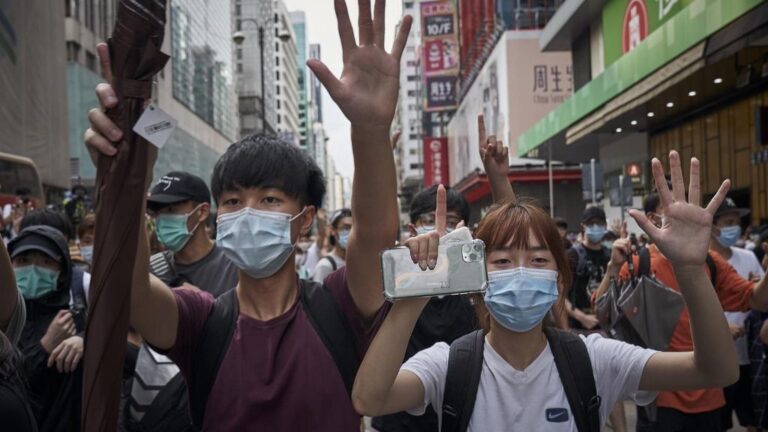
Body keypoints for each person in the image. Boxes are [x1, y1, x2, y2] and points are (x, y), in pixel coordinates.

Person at [83, 0, 410, 429]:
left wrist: (369, 129)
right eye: (234, 201)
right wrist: (125, 173)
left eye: (271, 200)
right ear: (216, 215)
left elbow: (375, 235)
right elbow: (131, 290)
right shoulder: (200, 321)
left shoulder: (341, 305)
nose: (249, 212)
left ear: (305, 219)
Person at [353, 151, 740, 432]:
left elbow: (715, 369)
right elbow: (370, 400)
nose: (520, 273)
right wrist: (418, 291)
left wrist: (691, 269)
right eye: (502, 261)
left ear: (559, 281)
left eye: (538, 260)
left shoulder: (594, 360)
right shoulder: (448, 364)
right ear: (476, 281)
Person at [595, 179, 768, 432]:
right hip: (660, 393)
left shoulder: (710, 262)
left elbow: (756, 298)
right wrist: (613, 268)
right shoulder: (638, 263)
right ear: (654, 220)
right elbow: (603, 314)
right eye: (672, 209)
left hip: (709, 392)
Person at [122, 172, 240, 431]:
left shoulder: (235, 266)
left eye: (173, 209)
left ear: (201, 212)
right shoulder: (149, 271)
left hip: (221, 402)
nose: (163, 219)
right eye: (158, 212)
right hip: (163, 407)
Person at [372, 184, 475, 432]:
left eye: (452, 221)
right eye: (428, 220)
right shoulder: (391, 282)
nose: (439, 231)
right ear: (412, 229)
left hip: (456, 419)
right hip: (397, 419)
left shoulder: (475, 288)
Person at [9, 225, 84, 432]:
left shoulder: (73, 320)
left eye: (46, 262)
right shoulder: (4, 320)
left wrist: (86, 340)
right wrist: (45, 348)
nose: (33, 269)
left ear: (62, 272)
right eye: (23, 261)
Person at [709, 197, 764, 432]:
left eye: (736, 222)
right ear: (712, 227)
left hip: (747, 356)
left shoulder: (748, 257)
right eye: (727, 221)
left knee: (753, 417)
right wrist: (723, 330)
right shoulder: (703, 263)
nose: (734, 227)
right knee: (718, 421)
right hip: (716, 359)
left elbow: (759, 298)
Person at [565, 206, 611, 332]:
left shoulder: (611, 255)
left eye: (599, 223)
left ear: (605, 226)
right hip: (578, 328)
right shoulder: (571, 255)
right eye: (591, 223)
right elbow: (559, 295)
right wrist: (582, 317)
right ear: (583, 226)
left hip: (607, 327)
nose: (595, 227)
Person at [312, 208, 352, 283]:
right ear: (333, 230)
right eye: (346, 228)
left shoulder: (358, 264)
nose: (350, 233)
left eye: (353, 228)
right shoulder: (325, 266)